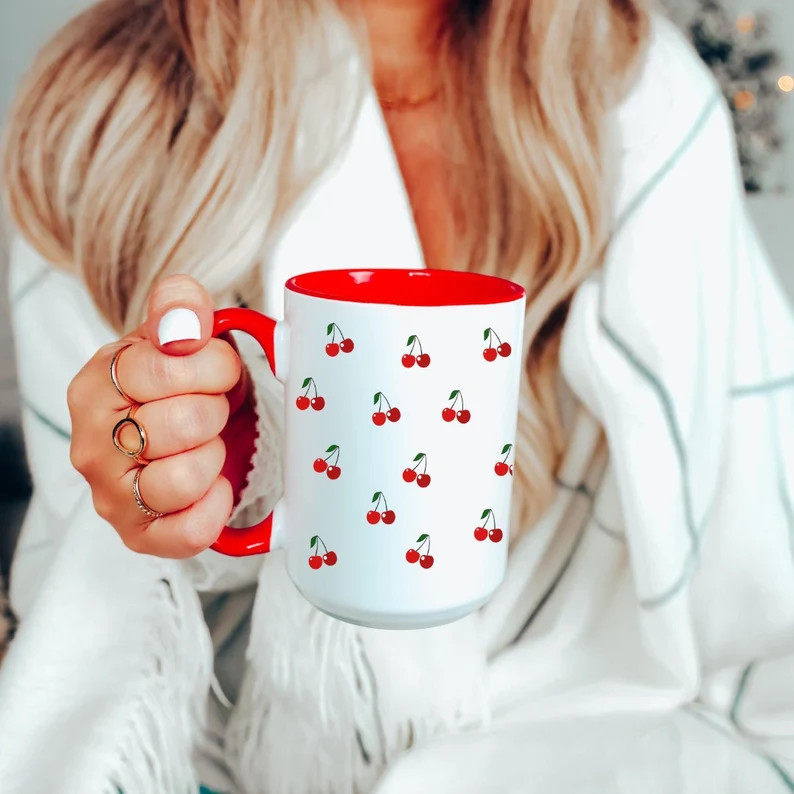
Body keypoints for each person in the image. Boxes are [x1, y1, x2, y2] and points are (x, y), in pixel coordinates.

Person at [1, 0, 793, 791]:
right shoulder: (102, 118)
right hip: (225, 752)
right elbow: (89, 589)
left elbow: (751, 555)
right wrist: (192, 470)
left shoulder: (644, 100)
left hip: (599, 743)